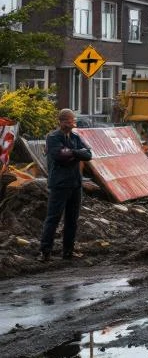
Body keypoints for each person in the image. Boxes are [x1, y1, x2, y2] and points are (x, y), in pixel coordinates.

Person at [39, 109, 93, 262]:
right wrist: (77, 153)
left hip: (75, 183)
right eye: (68, 121)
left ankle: (68, 251)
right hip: (60, 184)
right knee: (53, 218)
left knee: (72, 220)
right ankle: (45, 252)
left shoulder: (76, 137)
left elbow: (88, 155)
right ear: (61, 122)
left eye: (72, 120)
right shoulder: (53, 137)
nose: (71, 123)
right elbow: (58, 156)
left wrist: (72, 153)